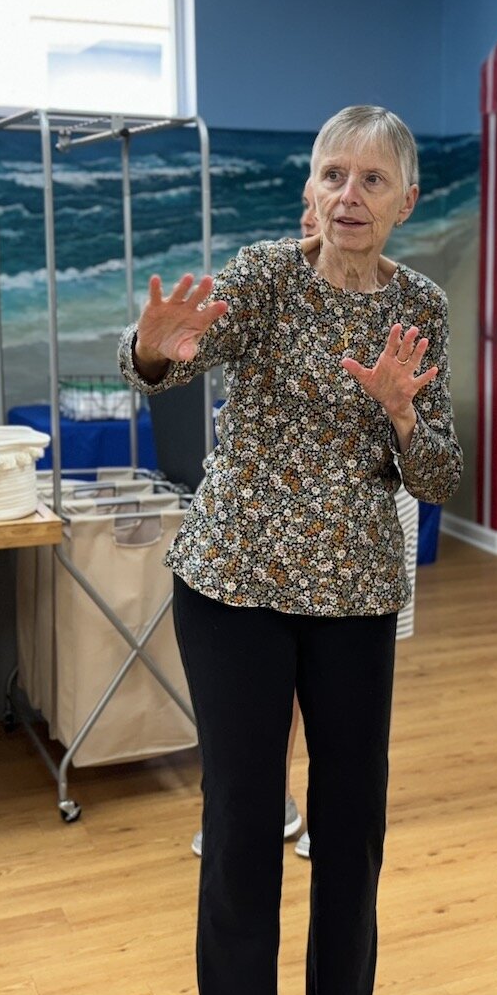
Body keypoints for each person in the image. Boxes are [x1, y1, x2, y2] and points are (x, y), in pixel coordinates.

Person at [121, 105, 461, 995]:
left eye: (372, 180)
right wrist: (155, 350)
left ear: (406, 202)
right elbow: (188, 354)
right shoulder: (267, 276)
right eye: (333, 176)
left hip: (355, 597)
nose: (349, 195)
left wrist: (399, 413)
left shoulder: (419, 307)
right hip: (235, 589)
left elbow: (437, 473)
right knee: (242, 827)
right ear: (309, 191)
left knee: (353, 830)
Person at [189, 179, 321, 862]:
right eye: (313, 204)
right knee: (254, 698)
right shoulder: (267, 289)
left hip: (347, 541)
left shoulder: (394, 303)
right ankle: (256, 803)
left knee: (333, 700)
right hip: (257, 545)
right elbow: (198, 349)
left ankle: (319, 806)